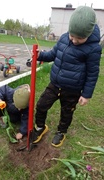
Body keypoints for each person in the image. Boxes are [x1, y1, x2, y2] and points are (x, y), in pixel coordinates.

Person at [32, 6, 102, 147]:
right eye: (72, 35)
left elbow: (92, 72)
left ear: (88, 34)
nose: (74, 40)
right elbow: (53, 54)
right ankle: (40, 127)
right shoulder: (64, 38)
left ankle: (61, 132)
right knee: (41, 105)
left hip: (73, 89)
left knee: (66, 113)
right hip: (55, 84)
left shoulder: (94, 48)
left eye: (80, 38)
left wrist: (86, 94)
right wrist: (41, 55)